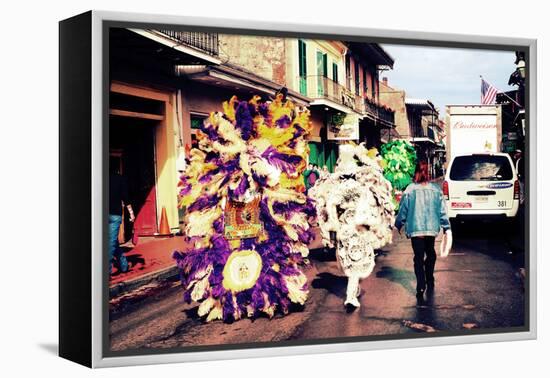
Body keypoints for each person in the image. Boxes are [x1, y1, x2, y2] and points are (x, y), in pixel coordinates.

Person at [394, 160, 451, 299]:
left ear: (416, 172)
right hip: (431, 229)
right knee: (430, 254)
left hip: (416, 229)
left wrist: (398, 224)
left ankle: (421, 284)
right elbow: (442, 210)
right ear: (428, 172)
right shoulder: (436, 189)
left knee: (418, 258)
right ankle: (429, 278)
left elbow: (403, 210)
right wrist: (446, 226)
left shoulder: (410, 189)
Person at [109, 161, 135, 274]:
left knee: (111, 241)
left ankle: (117, 266)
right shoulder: (120, 179)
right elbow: (125, 197)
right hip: (115, 215)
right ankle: (122, 266)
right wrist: (132, 214)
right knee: (112, 242)